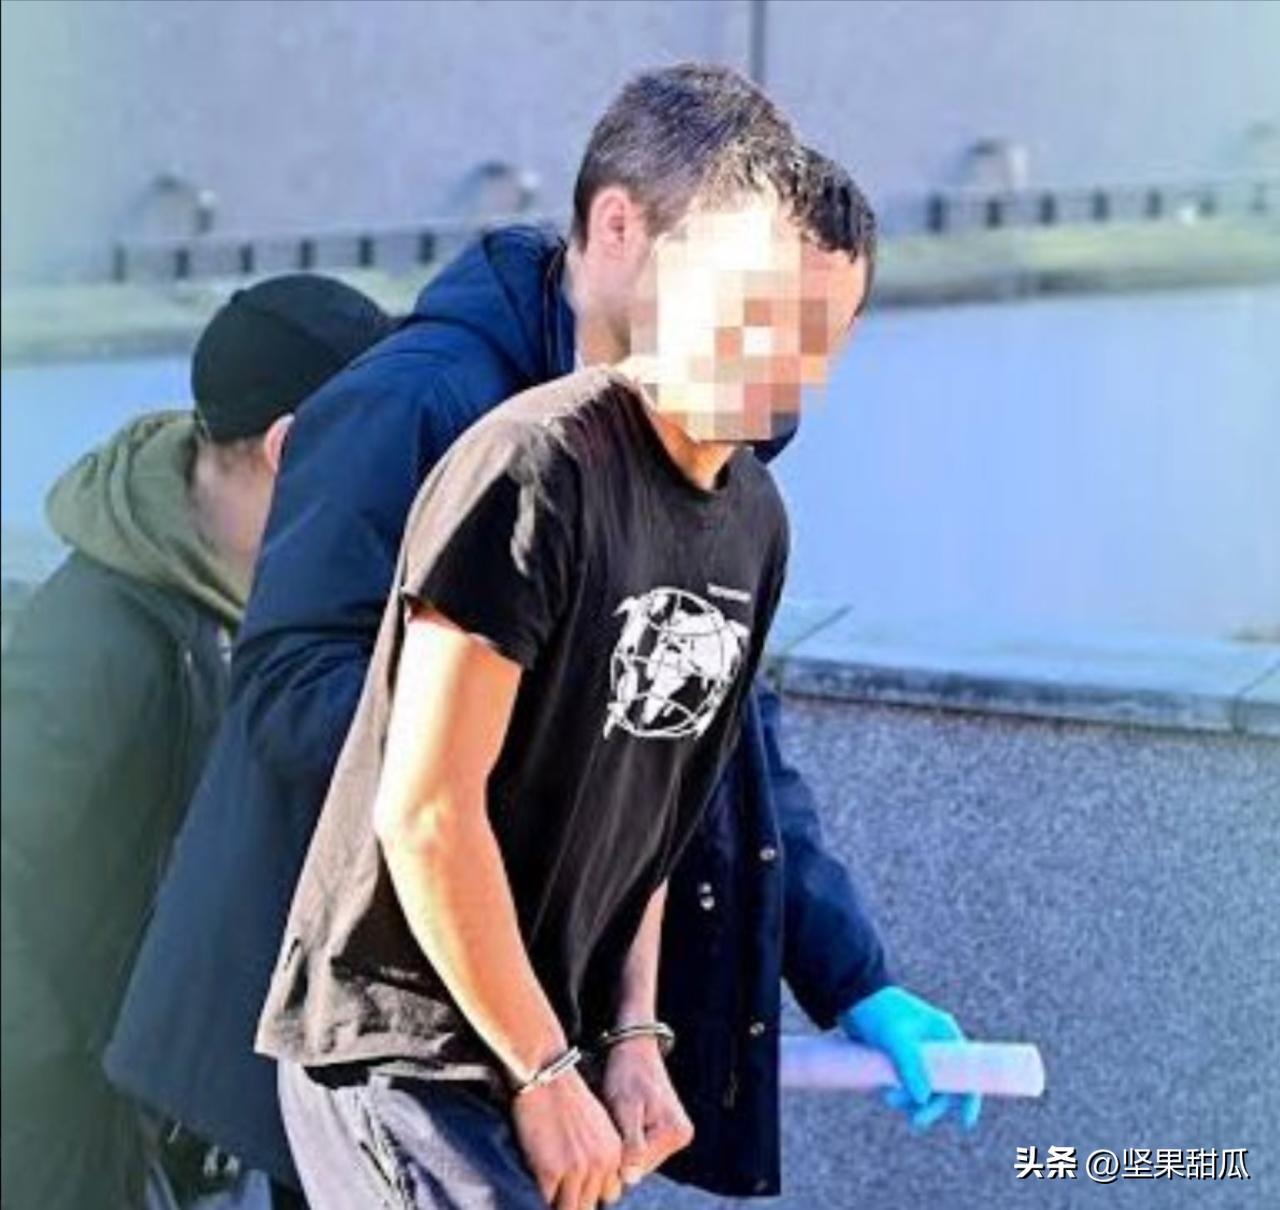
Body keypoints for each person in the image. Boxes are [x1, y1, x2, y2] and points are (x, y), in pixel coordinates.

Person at [107, 64, 979, 1205]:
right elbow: (288, 690)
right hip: (362, 1010)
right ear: (622, 228)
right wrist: (502, 750)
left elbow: (705, 743)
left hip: (530, 1009)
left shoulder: (728, 465)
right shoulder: (432, 404)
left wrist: (848, 975)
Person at [260, 172, 815, 1210]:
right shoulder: (497, 439)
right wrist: (508, 749)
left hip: (541, 1031)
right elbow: (344, 732)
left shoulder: (745, 513)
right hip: (404, 1031)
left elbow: (661, 789)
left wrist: (634, 1030)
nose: (785, 366)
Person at [0, 274, 392, 1210]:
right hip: (95, 1136)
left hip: (219, 1117)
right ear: (290, 447)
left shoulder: (291, 605)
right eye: (378, 454)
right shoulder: (99, 637)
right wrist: (56, 1092)